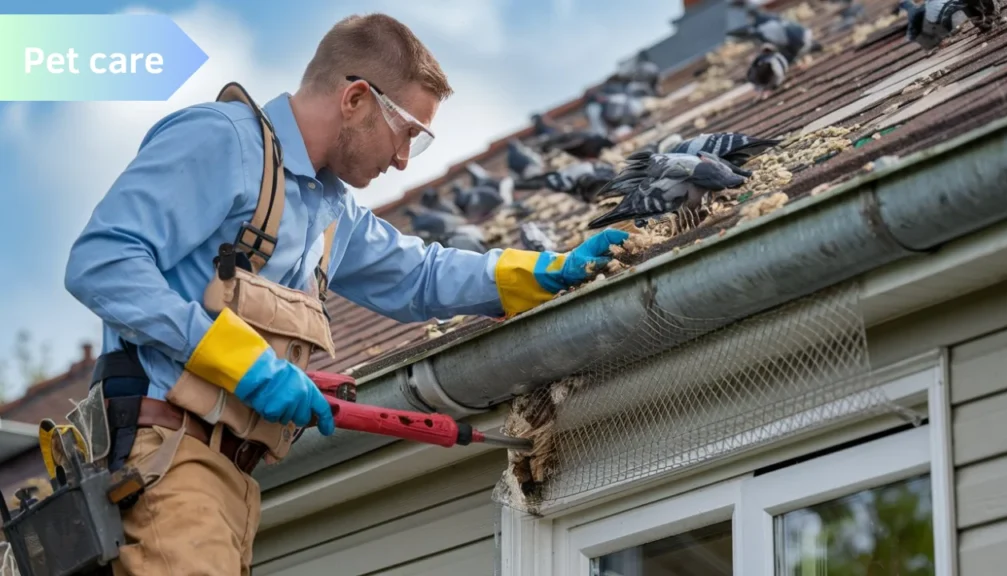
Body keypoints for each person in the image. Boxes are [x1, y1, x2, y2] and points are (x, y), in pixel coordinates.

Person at [60, 12, 627, 576]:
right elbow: (102, 263)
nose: (404, 159)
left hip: (229, 476)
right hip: (165, 455)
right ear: (355, 98)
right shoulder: (221, 141)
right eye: (408, 132)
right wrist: (245, 363)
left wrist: (544, 272)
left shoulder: (329, 213)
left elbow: (420, 276)